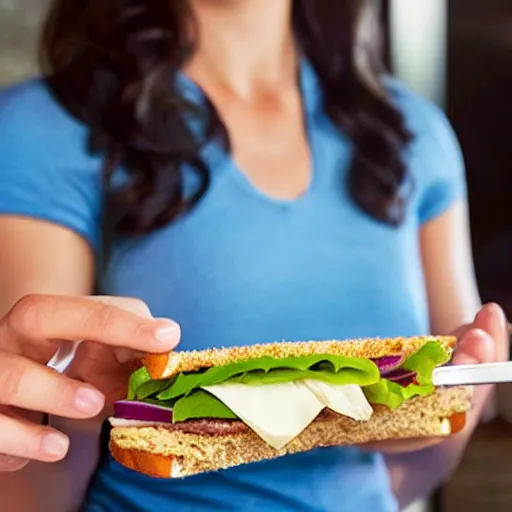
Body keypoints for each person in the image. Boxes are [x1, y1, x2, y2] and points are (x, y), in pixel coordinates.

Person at [0, 1, 508, 511]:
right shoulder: (42, 129)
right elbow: (34, 482)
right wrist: (64, 416)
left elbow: (435, 434)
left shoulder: (415, 134)